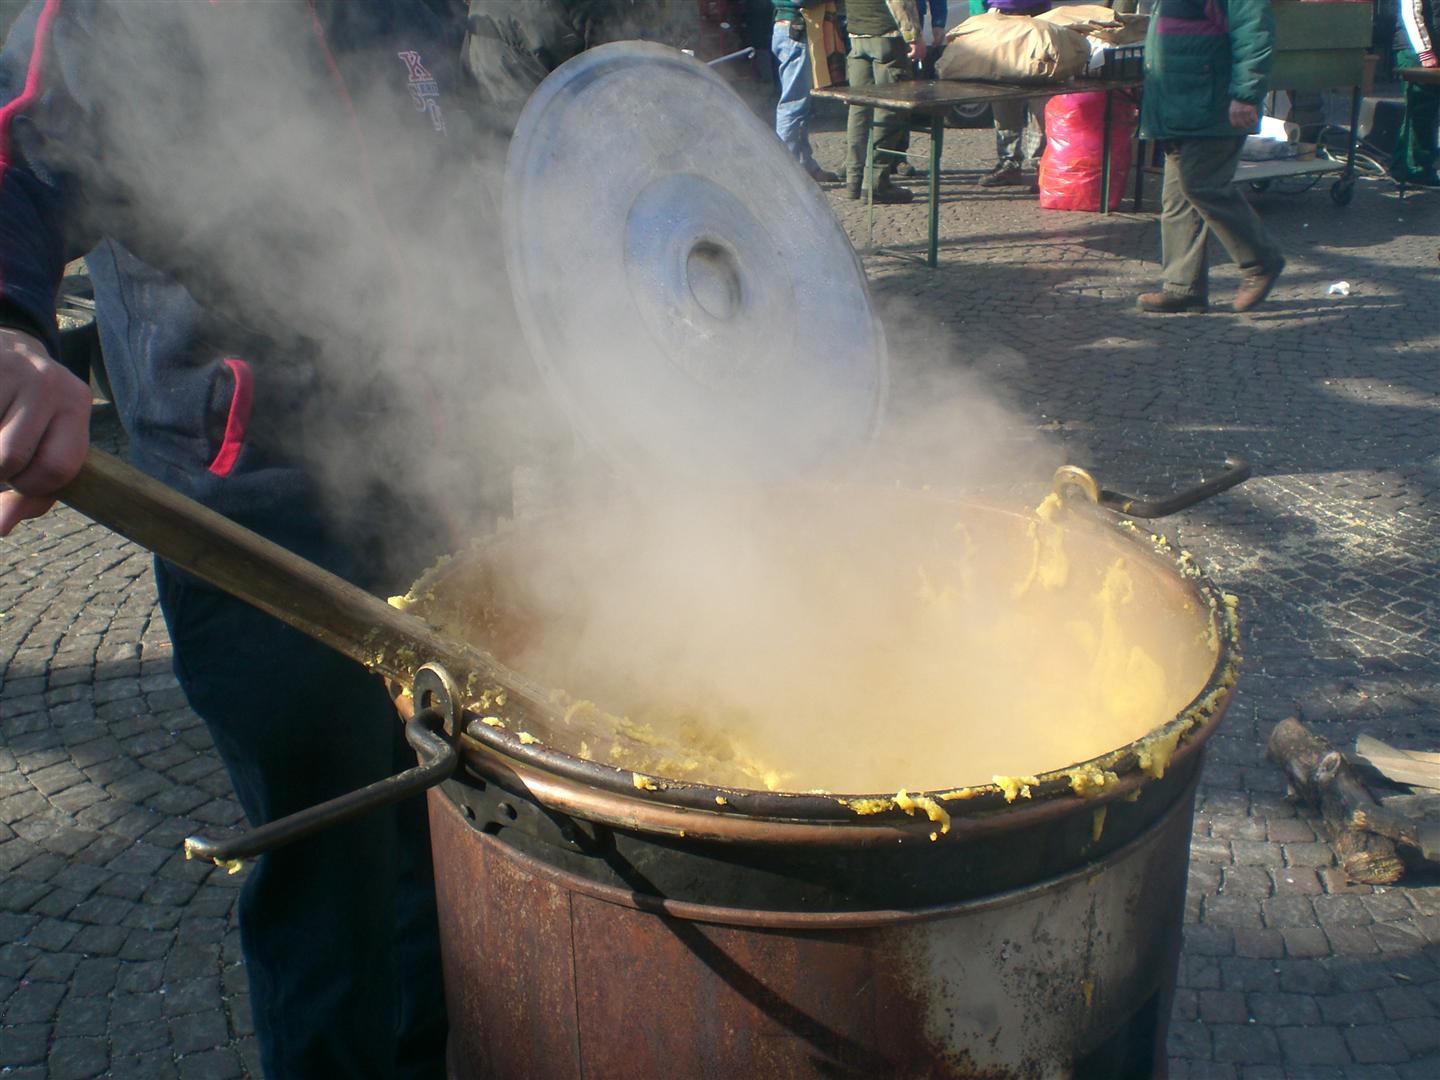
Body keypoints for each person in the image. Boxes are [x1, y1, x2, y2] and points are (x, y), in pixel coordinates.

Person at [0, 2, 546, 1075]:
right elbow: (13, 150)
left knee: (455, 845)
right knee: (328, 884)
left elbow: (472, 174)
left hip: (450, 493)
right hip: (260, 531)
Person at [1135, 0, 1286, 315]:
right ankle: (1182, 287)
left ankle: (1261, 261)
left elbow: (1254, 31)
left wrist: (1245, 94)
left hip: (1212, 101)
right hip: (1181, 102)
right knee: (1177, 197)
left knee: (1202, 185)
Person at [844, 0, 926, 203]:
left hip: (857, 34)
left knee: (859, 108)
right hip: (887, 35)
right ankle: (875, 183)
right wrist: (914, 36)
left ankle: (854, 180)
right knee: (889, 109)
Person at [978, 0, 1051, 189]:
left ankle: (1042, 166)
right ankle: (1009, 163)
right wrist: (979, 14)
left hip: (1037, 15)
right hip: (999, 17)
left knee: (1039, 96)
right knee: (1003, 95)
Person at [771, 0, 843, 183]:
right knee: (793, 105)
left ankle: (804, 164)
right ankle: (787, 172)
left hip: (793, 29)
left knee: (801, 105)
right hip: (796, 32)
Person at [1391, 0, 1440, 187]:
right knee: (1420, 108)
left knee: (1426, 109)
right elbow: (1410, 11)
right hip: (1415, 50)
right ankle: (1413, 169)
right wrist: (1425, 52)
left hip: (1429, 49)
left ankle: (1406, 167)